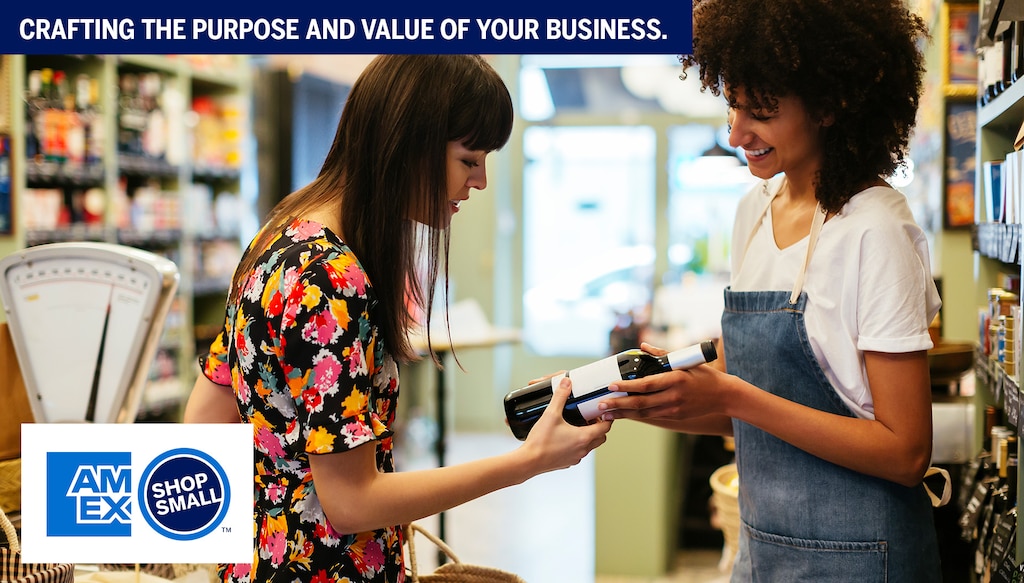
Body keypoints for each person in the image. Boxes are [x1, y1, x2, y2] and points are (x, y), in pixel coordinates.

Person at [183, 54, 611, 582]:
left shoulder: (275, 240)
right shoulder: (330, 281)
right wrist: (527, 463)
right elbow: (352, 503)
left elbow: (203, 422)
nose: (479, 181)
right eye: (469, 159)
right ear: (411, 145)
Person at [597, 1, 942, 580]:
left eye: (760, 111)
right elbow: (758, 405)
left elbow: (906, 452)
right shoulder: (752, 214)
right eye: (733, 106)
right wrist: (630, 397)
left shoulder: (874, 230)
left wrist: (733, 396)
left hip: (865, 559)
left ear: (831, 105)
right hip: (765, 552)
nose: (736, 134)